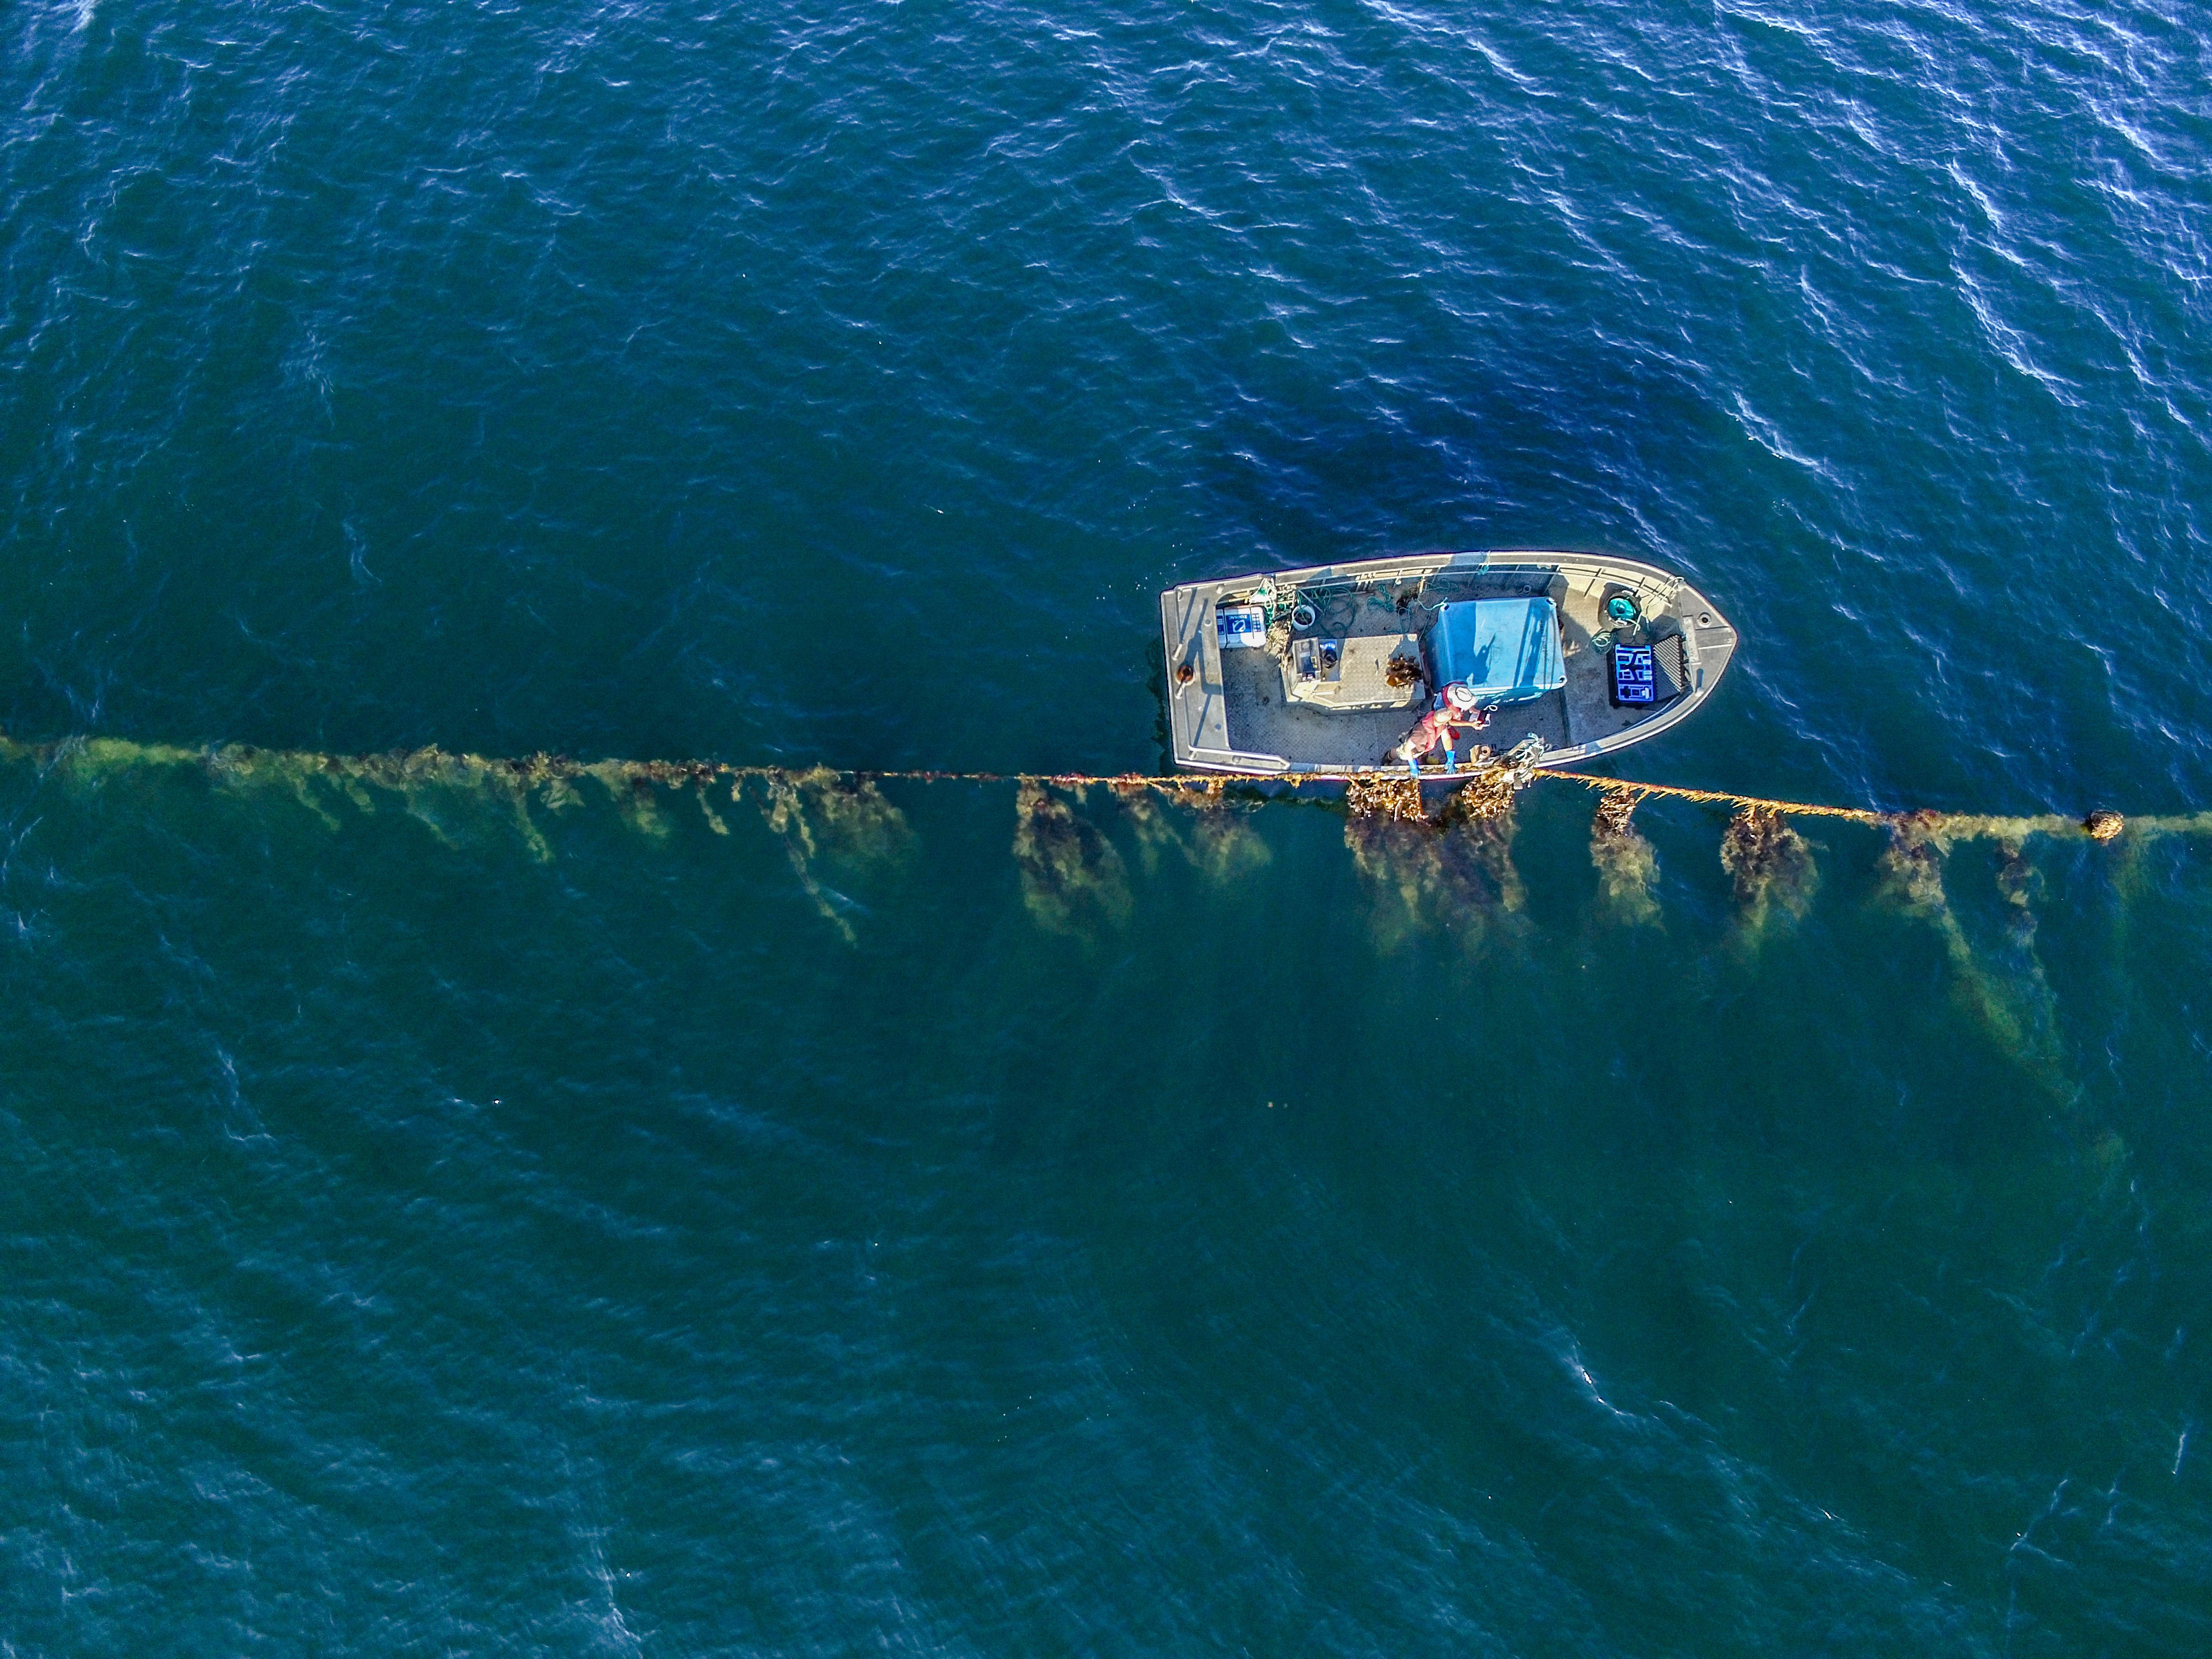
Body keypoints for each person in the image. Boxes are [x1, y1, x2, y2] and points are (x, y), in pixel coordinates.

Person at [1393, 682, 1487, 775]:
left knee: (1425, 751)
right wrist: (1413, 765)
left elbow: (1446, 738)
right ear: (1445, 722)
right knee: (1399, 753)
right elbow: (1407, 748)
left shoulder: (1440, 722)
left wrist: (1450, 757)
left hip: (1425, 746)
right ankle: (1388, 758)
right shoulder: (1420, 735)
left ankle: (1423, 758)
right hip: (1412, 750)